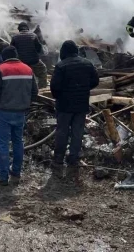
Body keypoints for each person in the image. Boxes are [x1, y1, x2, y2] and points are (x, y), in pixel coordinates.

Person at [50, 40, 99, 185]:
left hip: (64, 105)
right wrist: (84, 89)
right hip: (81, 104)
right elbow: (95, 81)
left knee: (62, 131)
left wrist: (59, 96)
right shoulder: (87, 64)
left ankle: (58, 158)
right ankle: (74, 158)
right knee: (78, 131)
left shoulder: (61, 66)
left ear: (63, 52)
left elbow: (54, 86)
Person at [0, 45, 38, 186]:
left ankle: (3, 176)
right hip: (20, 112)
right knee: (18, 141)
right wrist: (27, 105)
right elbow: (35, 91)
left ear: (4, 57)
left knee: (3, 143)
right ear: (17, 55)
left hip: (3, 112)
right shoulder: (28, 69)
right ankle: (16, 171)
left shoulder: (0, 69)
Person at [10, 22, 47, 88]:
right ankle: (42, 88)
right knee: (43, 70)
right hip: (34, 62)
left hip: (21, 63)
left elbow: (11, 50)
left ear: (19, 29)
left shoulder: (14, 37)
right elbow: (39, 49)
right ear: (27, 28)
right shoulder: (33, 35)